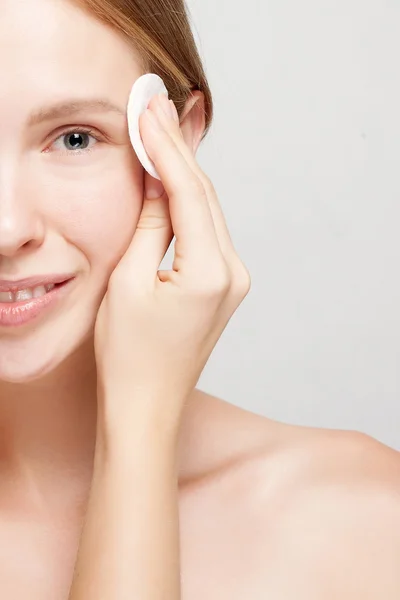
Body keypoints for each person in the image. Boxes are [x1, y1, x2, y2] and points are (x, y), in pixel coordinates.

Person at [0, 0, 399, 598]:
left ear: (173, 145)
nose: (7, 228)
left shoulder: (365, 522)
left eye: (75, 139)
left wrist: (140, 421)